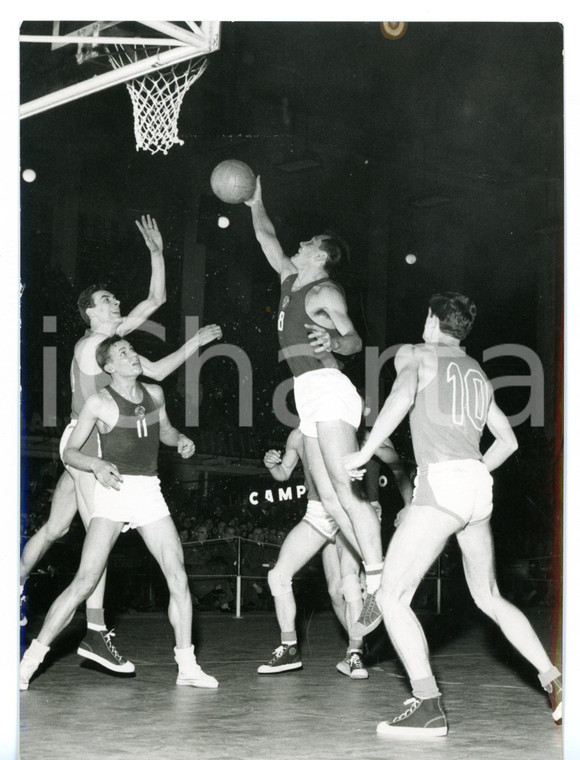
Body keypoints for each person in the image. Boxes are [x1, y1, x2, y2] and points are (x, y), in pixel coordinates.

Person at [344, 292, 562, 736]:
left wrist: (365, 450)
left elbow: (402, 396)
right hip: (478, 487)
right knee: (489, 596)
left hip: (442, 483)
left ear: (431, 320)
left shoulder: (416, 352)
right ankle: (554, 681)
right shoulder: (478, 373)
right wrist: (472, 473)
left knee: (391, 598)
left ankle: (427, 705)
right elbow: (508, 441)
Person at [20, 215, 222, 675]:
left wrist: (155, 253)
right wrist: (193, 342)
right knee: (98, 548)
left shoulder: (110, 343)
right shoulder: (94, 344)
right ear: (91, 311)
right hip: (89, 443)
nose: (115, 303)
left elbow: (157, 299)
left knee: (55, 529)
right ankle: (94, 633)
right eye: (107, 300)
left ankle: (12, 581)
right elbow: (155, 359)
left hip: (87, 437)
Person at [245, 179, 384, 629]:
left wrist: (336, 341)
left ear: (320, 256)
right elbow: (267, 238)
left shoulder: (325, 292)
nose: (298, 244)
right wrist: (256, 202)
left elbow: (354, 339)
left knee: (342, 489)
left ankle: (382, 579)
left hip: (328, 385)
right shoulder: (290, 279)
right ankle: (378, 575)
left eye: (307, 243)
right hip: (307, 391)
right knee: (328, 496)